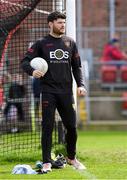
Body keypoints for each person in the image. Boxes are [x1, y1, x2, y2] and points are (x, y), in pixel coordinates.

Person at [21, 11, 87, 173]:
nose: (62, 25)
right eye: (59, 22)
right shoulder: (41, 43)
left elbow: (76, 67)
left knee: (71, 126)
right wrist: (32, 71)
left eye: (64, 22)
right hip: (48, 91)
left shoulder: (70, 43)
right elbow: (25, 61)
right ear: (50, 23)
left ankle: (72, 157)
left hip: (66, 92)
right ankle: (46, 162)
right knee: (47, 126)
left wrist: (81, 84)